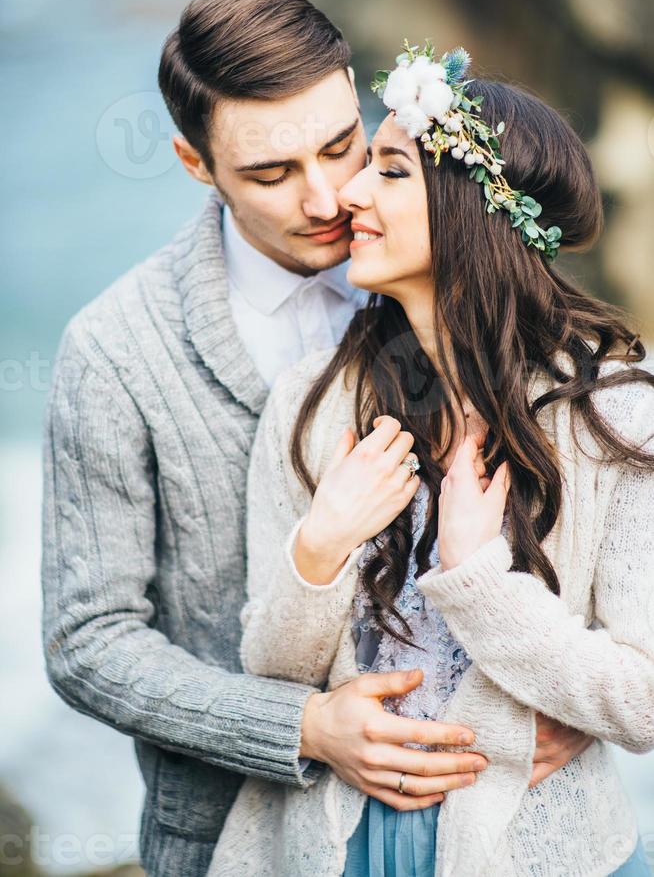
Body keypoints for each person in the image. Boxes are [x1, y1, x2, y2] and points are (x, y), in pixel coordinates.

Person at [41, 0, 592, 877]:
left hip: (489, 831)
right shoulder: (113, 351)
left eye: (341, 145)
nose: (328, 196)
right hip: (232, 839)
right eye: (269, 174)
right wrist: (299, 727)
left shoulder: (439, 267)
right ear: (193, 163)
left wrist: (569, 698)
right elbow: (87, 641)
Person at [208, 42, 654, 876]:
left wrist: (479, 582)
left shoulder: (617, 412)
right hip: (333, 845)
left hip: (534, 848)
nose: (347, 194)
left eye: (389, 171)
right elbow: (268, 668)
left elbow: (646, 700)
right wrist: (320, 547)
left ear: (475, 209)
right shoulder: (315, 402)